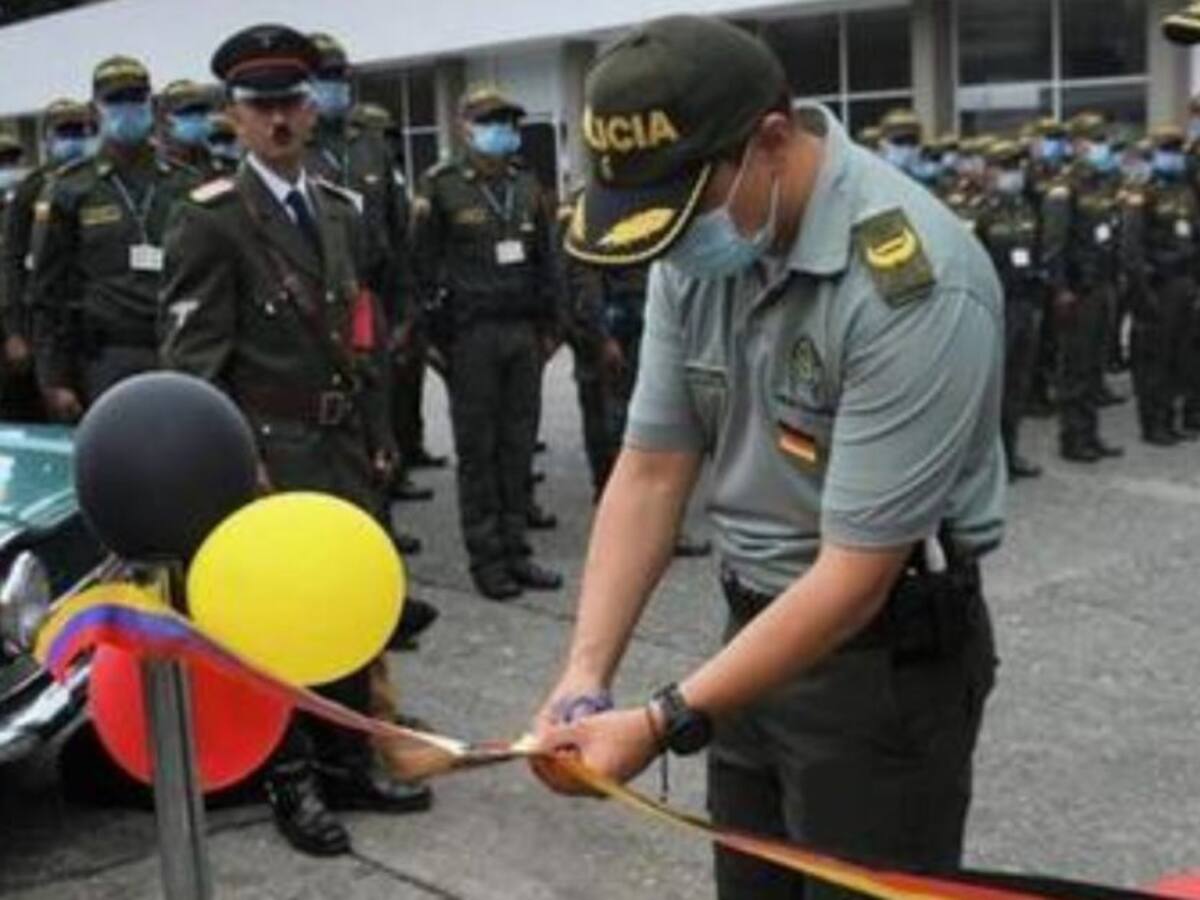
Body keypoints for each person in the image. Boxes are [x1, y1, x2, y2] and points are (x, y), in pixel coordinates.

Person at [533, 16, 1002, 900]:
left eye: (682, 211)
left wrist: (663, 719)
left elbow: (855, 576)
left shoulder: (909, 282)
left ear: (772, 142)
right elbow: (652, 468)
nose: (668, 247)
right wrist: (585, 676)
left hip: (879, 666)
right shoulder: (699, 235)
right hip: (748, 642)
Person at [159, 23, 432, 858]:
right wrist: (242, 465)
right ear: (234, 119)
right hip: (272, 452)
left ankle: (350, 754)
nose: (278, 120)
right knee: (279, 621)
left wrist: (383, 435)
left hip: (343, 443)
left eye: (290, 103)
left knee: (349, 604)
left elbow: (360, 334)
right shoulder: (210, 220)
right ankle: (292, 776)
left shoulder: (340, 208)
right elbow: (193, 367)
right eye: (260, 106)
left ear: (311, 111)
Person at [411, 85, 562, 601]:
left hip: (522, 332)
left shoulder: (525, 182)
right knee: (480, 451)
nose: (505, 130)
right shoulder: (442, 187)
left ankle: (518, 551)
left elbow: (548, 256)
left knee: (519, 446)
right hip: (471, 335)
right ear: (465, 128)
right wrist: (432, 340)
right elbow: (421, 267)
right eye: (493, 121)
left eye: (510, 122)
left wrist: (552, 327)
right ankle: (487, 559)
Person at [304, 34, 435, 517]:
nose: (333, 86)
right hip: (315, 309)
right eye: (322, 77)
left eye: (339, 76)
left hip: (369, 302)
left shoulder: (370, 148)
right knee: (331, 429)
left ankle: (380, 535)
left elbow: (398, 238)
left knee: (378, 423)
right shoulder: (295, 147)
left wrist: (404, 314)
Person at [29, 56, 197, 420]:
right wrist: (52, 377)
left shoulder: (184, 183)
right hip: (107, 356)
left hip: (181, 349)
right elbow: (46, 292)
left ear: (151, 106)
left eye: (136, 99)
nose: (128, 110)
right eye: (116, 101)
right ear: (95, 110)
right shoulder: (70, 188)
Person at [1, 99, 96, 424]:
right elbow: (12, 261)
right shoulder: (33, 189)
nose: (77, 139)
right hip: (47, 315)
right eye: (66, 132)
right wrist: (14, 330)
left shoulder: (100, 181)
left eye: (83, 131)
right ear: (48, 139)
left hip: (93, 315)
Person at [1043, 113, 1126, 462]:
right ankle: (1072, 439)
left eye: (1104, 141)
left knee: (1094, 367)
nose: (1102, 148)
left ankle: (1091, 433)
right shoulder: (1065, 188)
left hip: (1103, 287)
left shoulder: (1102, 184)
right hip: (1078, 291)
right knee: (1075, 368)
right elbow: (1054, 245)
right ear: (1077, 145)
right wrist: (1061, 289)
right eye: (1096, 141)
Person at [1123, 125, 1200, 444]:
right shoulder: (1142, 192)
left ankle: (1170, 417)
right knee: (1154, 359)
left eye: (1176, 149)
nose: (1173, 155)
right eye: (1166, 149)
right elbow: (1132, 250)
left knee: (1181, 355)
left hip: (1184, 284)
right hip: (1157, 286)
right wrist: (1144, 295)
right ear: (1154, 154)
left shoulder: (1184, 191)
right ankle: (1153, 424)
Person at [975, 139, 1044, 479]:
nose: (1013, 175)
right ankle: (989, 464)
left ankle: (1011, 453)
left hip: (1023, 306)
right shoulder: (978, 210)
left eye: (1017, 168)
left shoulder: (1025, 208)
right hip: (992, 310)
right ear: (989, 171)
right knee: (991, 391)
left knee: (1017, 385)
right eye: (1006, 168)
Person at [158, 79, 220, 177]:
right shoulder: (159, 168)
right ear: (166, 117)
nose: (196, 117)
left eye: (201, 112)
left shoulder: (216, 161)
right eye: (186, 113)